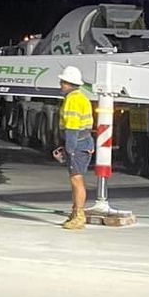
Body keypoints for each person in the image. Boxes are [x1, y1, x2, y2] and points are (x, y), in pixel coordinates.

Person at [53, 65, 95, 231]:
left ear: (68, 83)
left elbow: (72, 127)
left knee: (76, 180)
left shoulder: (73, 100)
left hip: (78, 145)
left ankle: (79, 216)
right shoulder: (81, 97)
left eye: (62, 82)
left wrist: (69, 149)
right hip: (84, 142)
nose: (60, 85)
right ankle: (75, 213)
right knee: (76, 179)